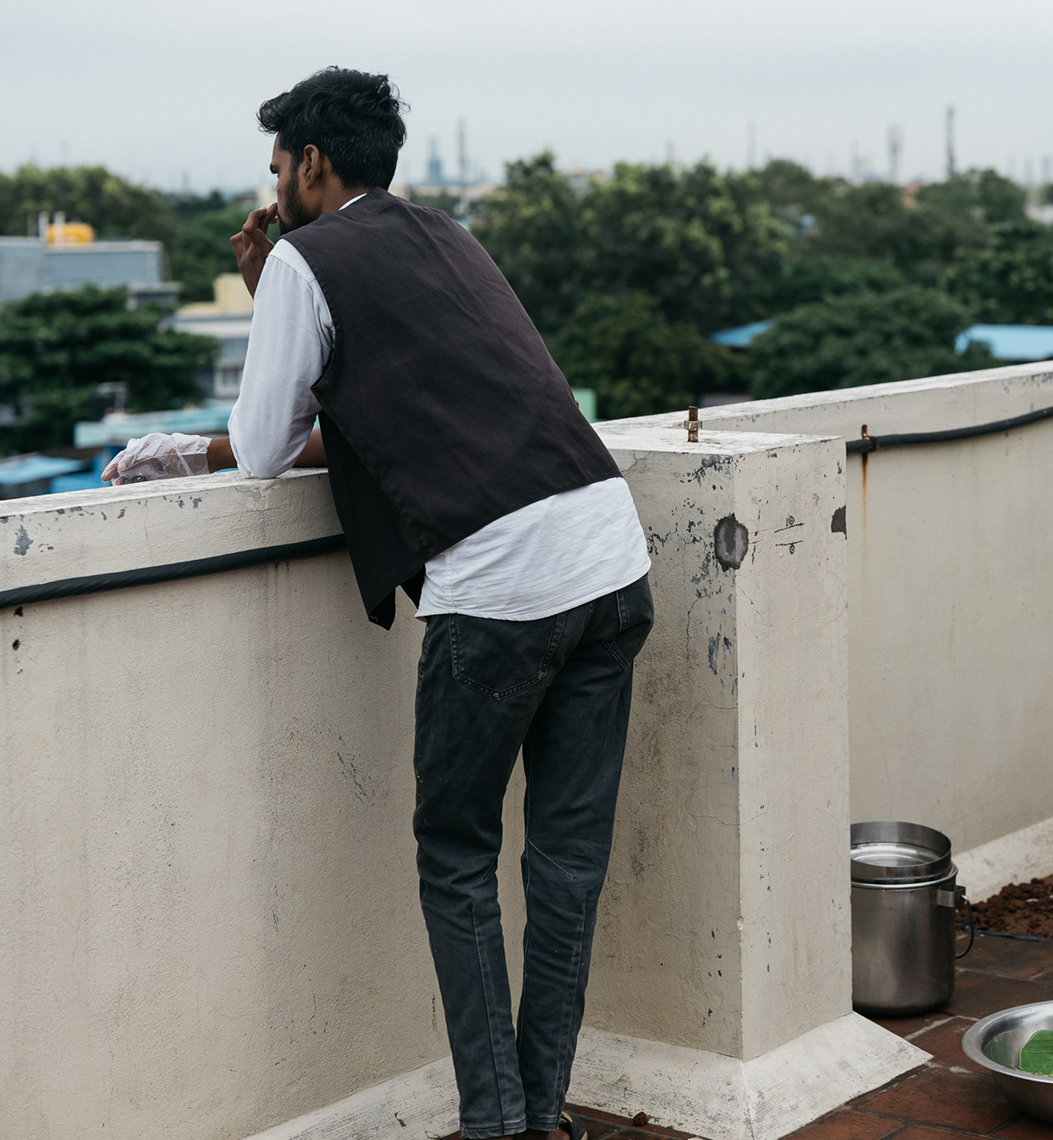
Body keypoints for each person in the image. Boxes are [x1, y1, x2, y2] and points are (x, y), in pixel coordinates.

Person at [105, 68, 652, 1140]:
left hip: (504, 587)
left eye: (277, 167)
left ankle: (500, 1125)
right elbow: (399, 401)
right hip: (608, 553)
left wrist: (271, 293)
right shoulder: (449, 233)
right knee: (565, 864)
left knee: (455, 854)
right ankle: (543, 1114)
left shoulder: (306, 255)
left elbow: (263, 449)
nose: (272, 186)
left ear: (311, 163)